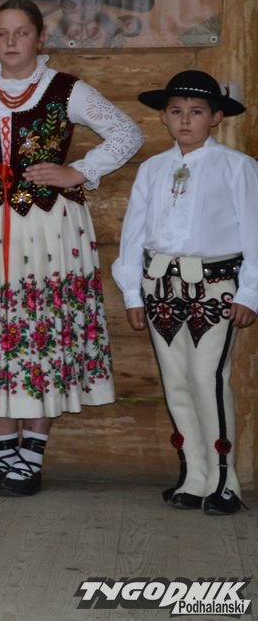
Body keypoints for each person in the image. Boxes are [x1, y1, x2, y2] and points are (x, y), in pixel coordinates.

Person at [0, 0, 144, 497]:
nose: (11, 41)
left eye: (22, 32)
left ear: (40, 38)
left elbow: (127, 133)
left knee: (40, 325)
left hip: (49, 227)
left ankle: (31, 459)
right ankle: (4, 454)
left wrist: (79, 171)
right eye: (2, 33)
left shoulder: (65, 89)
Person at [112, 70, 256, 516]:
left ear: (216, 117)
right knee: (175, 381)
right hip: (160, 286)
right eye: (176, 112)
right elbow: (133, 235)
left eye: (196, 112)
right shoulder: (152, 170)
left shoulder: (236, 167)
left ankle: (224, 479)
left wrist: (250, 292)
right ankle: (194, 475)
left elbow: (255, 233)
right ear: (163, 117)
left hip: (215, 287)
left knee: (206, 377)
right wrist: (133, 293)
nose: (186, 120)